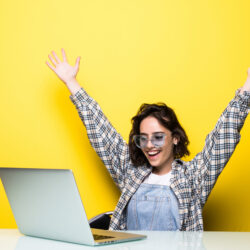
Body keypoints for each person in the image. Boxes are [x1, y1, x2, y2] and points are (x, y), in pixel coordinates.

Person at [46, 48, 250, 231]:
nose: (150, 145)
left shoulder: (194, 177)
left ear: (176, 138)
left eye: (158, 137)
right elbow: (101, 129)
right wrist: (71, 82)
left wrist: (247, 88)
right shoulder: (130, 172)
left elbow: (224, 134)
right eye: (143, 139)